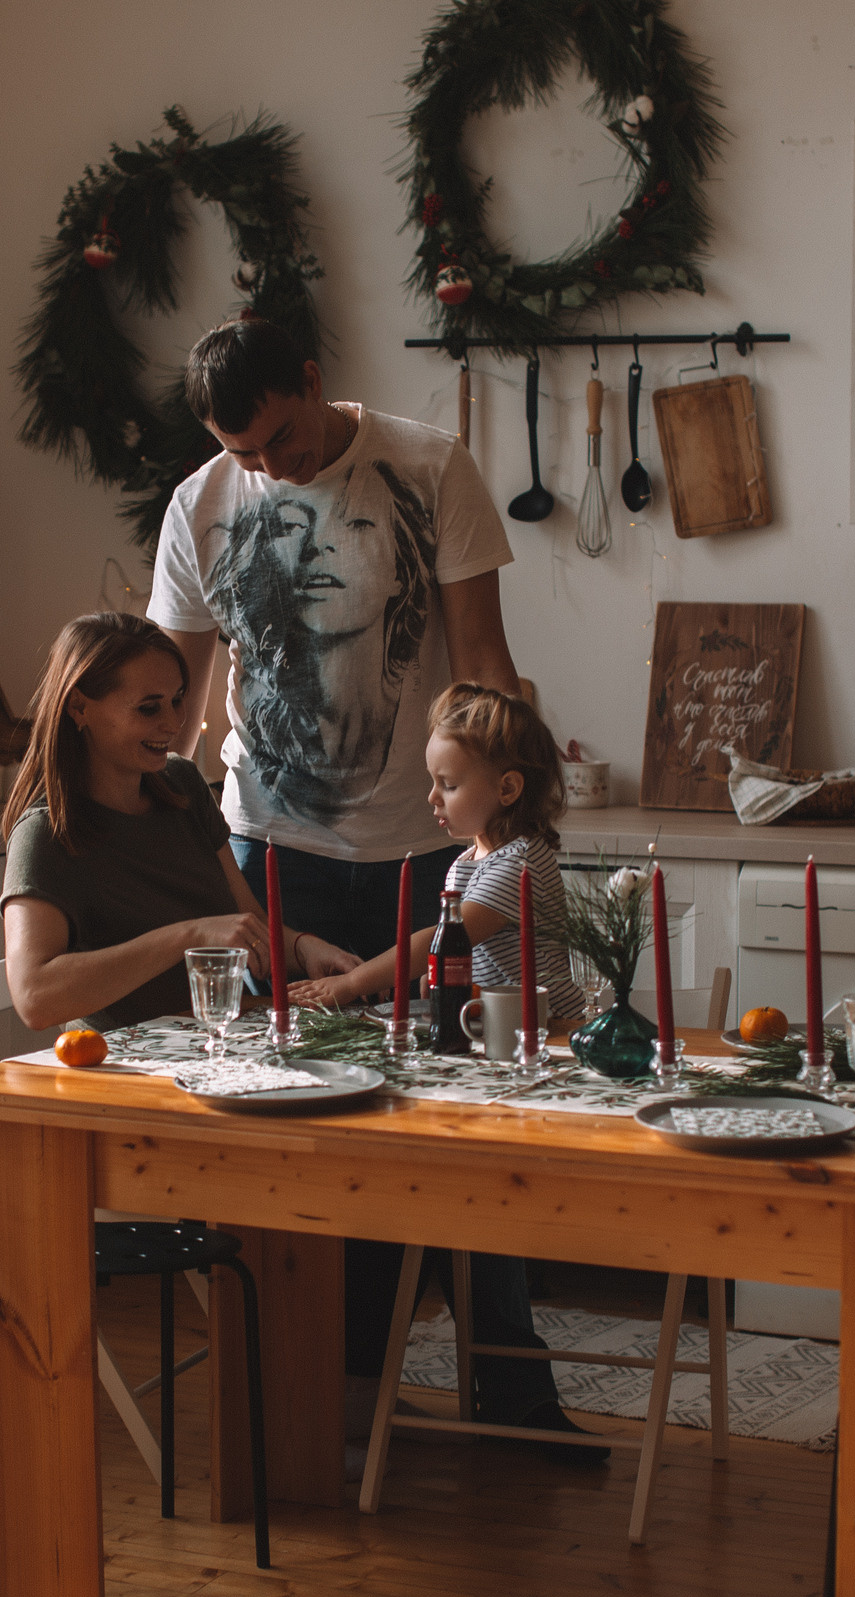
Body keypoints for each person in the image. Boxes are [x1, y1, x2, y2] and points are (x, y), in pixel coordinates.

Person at [150, 319, 602, 1462]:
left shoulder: (427, 464)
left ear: (316, 380)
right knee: (294, 1135)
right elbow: (169, 702)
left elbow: (483, 667)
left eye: (283, 439)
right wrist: (168, 839)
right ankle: (324, 1401)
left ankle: (513, 1400)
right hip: (269, 853)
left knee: (469, 1132)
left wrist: (522, 820)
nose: (270, 468)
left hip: (427, 855)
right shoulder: (200, 504)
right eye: (246, 452)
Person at [0, 612, 357, 1034]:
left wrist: (300, 946)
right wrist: (187, 937)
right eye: (149, 708)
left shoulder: (182, 785)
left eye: (177, 699)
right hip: (129, 1069)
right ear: (79, 707)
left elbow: (247, 924)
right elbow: (34, 999)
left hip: (223, 1041)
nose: (173, 723)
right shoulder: (46, 834)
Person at [289, 684, 577, 1031]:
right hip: (500, 1023)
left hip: (553, 1028)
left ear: (507, 789)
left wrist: (351, 984)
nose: (432, 797)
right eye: (433, 781)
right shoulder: (469, 860)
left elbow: (439, 937)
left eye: (449, 785)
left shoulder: (519, 865)